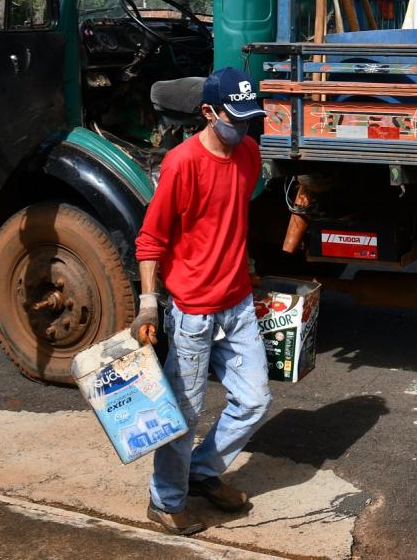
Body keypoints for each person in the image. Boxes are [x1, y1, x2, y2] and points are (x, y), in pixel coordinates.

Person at [132, 67, 272, 536]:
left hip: (236, 303)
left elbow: (232, 218)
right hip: (192, 311)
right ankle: (165, 500)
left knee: (254, 400)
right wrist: (150, 305)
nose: (244, 128)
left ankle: (202, 473)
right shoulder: (182, 164)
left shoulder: (248, 152)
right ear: (209, 113)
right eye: (236, 118)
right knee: (184, 413)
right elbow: (151, 239)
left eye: (250, 119)